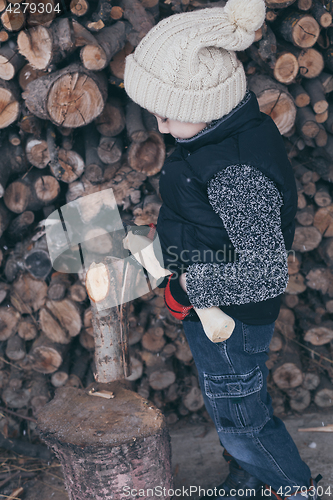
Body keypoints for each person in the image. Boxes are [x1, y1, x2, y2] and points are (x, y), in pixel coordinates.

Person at [124, 0, 321, 499]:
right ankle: (250, 479)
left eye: (169, 116)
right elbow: (209, 221)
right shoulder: (220, 137)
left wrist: (191, 285)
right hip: (214, 305)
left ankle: (294, 488)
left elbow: (267, 271)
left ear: (202, 107)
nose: (162, 129)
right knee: (229, 405)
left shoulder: (236, 171)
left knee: (242, 418)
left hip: (232, 318)